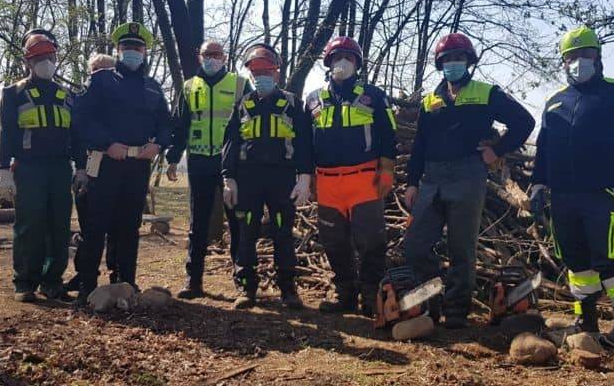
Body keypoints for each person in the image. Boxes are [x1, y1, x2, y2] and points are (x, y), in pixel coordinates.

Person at [403, 32, 535, 328]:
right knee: (415, 245)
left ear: (468, 61)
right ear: (440, 63)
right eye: (448, 59)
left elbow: (525, 121)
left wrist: (496, 151)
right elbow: (420, 145)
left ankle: (457, 311)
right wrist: (412, 182)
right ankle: (429, 301)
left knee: (461, 247)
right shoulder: (430, 101)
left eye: (459, 58)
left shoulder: (486, 93)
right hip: (432, 176)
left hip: (468, 174)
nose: (453, 64)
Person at [529, 25, 614, 349]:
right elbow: (543, 149)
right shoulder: (555, 102)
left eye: (585, 54)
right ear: (563, 61)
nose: (579, 61)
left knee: (613, 259)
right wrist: (537, 186)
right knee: (576, 261)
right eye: (571, 56)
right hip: (563, 196)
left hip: (603, 193)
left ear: (598, 56)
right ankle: (587, 320)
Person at [72, 22, 172, 303]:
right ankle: (87, 288)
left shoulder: (153, 88)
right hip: (106, 164)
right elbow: (82, 119)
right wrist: (106, 143)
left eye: (137, 47)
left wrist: (158, 144)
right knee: (96, 226)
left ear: (145, 51)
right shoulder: (102, 80)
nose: (132, 52)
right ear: (118, 49)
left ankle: (125, 284)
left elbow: (166, 125)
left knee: (129, 227)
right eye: (127, 47)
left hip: (137, 166)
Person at [305, 36, 396, 316]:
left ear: (357, 63)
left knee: (371, 240)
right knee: (334, 241)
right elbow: (305, 143)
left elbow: (388, 134)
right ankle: (344, 293)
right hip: (328, 181)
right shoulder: (313, 98)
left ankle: (370, 295)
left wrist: (387, 170)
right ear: (328, 63)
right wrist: (307, 177)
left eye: (349, 57)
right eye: (337, 57)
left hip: (364, 179)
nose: (342, 62)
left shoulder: (373, 95)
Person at [221, 44, 312, 310]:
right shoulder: (243, 104)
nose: (261, 76)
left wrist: (305, 177)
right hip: (248, 178)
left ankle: (288, 290)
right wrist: (229, 178)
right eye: (256, 71)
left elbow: (305, 143)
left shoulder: (293, 104)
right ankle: (247, 289)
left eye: (266, 71)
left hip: (282, 178)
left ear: (277, 73)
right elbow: (231, 143)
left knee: (283, 232)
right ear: (249, 73)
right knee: (246, 232)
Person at [0, 29, 86, 302]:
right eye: (39, 58)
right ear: (28, 62)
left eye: (50, 57)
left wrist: (81, 167)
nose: (46, 62)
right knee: (29, 224)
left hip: (60, 168)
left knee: (58, 225)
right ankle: (25, 282)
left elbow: (77, 135)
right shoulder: (13, 93)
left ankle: (52, 281)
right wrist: (3, 169)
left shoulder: (68, 95)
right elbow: (7, 132)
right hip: (28, 168)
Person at [166, 41, 248, 299]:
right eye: (207, 55)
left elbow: (252, 121)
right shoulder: (190, 87)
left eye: (216, 55)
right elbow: (180, 125)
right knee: (197, 223)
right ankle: (194, 281)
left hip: (232, 164)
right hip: (200, 161)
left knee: (237, 222)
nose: (212, 59)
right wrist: (172, 157)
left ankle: (243, 282)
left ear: (224, 57)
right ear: (199, 57)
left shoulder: (239, 85)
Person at [64, 54, 119, 294]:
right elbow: (75, 137)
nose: (103, 75)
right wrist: (81, 170)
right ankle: (85, 277)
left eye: (109, 70)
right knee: (89, 230)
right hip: (88, 170)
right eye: (98, 70)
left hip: (116, 172)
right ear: (91, 71)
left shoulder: (121, 103)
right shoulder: (80, 99)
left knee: (115, 229)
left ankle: (117, 278)